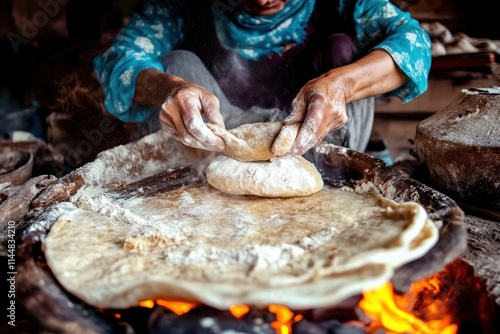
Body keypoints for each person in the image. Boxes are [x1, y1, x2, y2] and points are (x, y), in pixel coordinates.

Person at [93, 0, 431, 157]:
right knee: (176, 63)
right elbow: (120, 59)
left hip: (323, 142)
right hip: (219, 146)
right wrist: (169, 88)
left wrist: (342, 84)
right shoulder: (180, 5)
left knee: (344, 49)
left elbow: (413, 43)